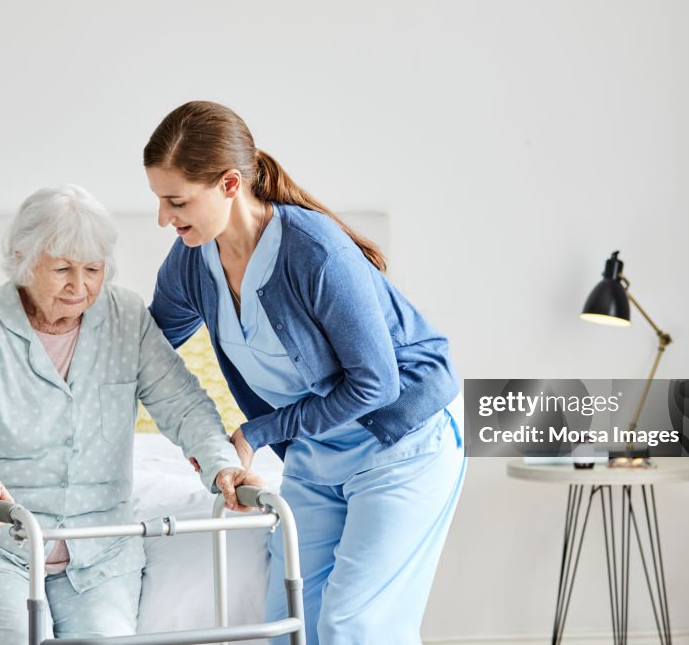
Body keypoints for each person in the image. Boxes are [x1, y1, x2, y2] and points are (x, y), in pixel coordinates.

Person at [143, 101, 466, 644]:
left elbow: (376, 385)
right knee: (288, 627)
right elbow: (144, 353)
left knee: (351, 627)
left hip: (401, 444)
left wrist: (255, 433)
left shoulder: (313, 251)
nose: (164, 219)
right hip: (317, 454)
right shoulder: (190, 263)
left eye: (176, 201)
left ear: (228, 184)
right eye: (159, 201)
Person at [0, 185, 261, 644]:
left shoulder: (126, 317)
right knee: (22, 638)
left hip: (100, 548)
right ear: (23, 258)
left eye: (93, 270)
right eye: (61, 269)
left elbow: (182, 404)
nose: (79, 287)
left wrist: (223, 464)